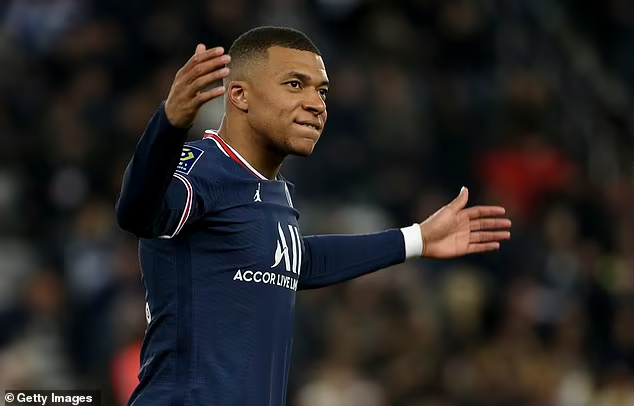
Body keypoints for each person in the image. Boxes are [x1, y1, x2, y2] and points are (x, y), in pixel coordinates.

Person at [115, 26, 511, 406]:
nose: (316, 104)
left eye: (322, 91)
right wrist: (169, 125)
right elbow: (138, 213)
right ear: (239, 95)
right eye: (295, 84)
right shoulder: (198, 168)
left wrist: (417, 239)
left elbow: (298, 261)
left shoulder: (275, 191)